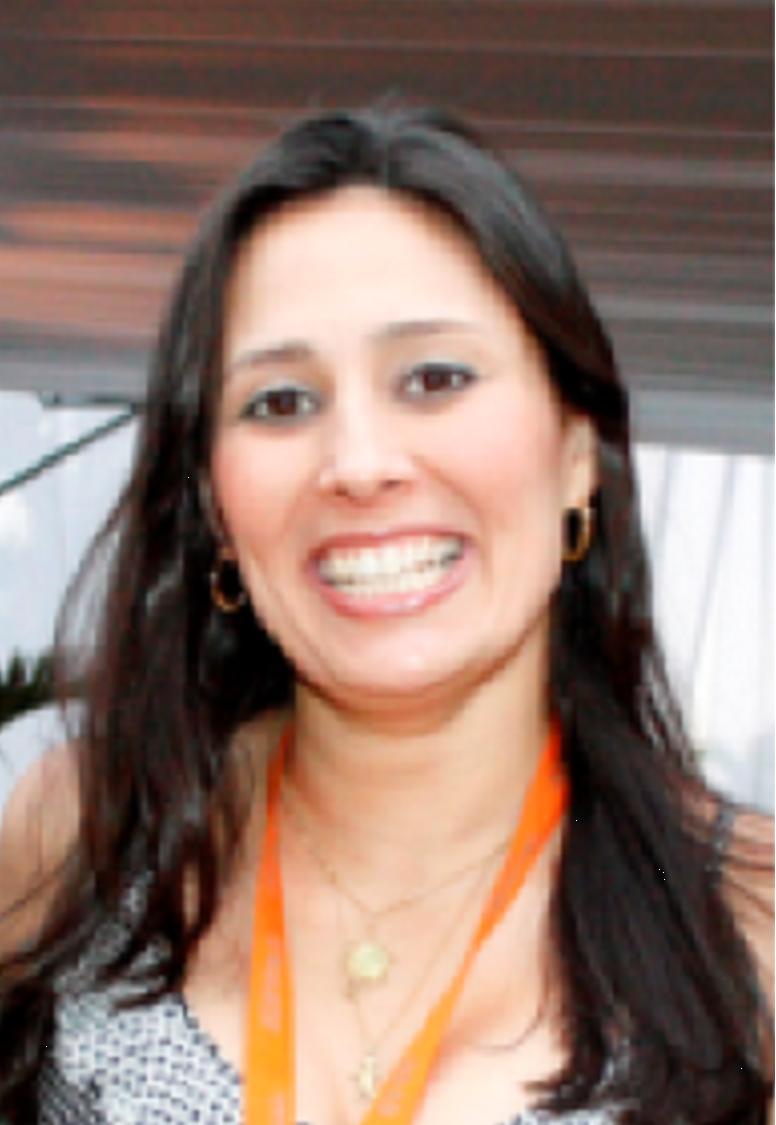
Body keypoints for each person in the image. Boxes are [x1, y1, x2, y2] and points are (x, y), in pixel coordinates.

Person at [0, 104, 772, 1125]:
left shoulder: (748, 931)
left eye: (434, 378)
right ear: (213, 507)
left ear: (576, 451)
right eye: (280, 401)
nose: (359, 464)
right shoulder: (78, 833)